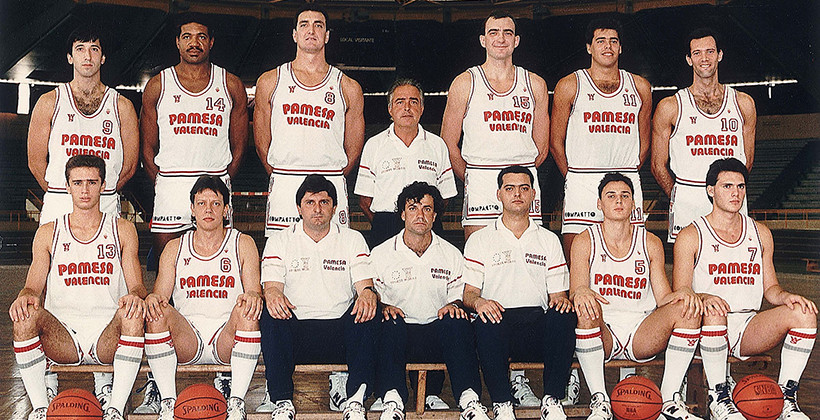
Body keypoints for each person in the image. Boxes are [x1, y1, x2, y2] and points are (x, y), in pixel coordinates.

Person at [674, 158, 816, 420]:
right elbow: (681, 291)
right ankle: (718, 397)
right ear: (711, 190)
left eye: (740, 186)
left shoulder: (760, 233)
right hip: (705, 327)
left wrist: (787, 297)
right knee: (715, 312)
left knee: (804, 313)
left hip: (748, 326)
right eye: (727, 186)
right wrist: (704, 297)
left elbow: (771, 288)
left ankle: (786, 400)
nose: (735, 193)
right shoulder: (691, 235)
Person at [9, 155, 147, 420]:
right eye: (78, 183)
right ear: (67, 186)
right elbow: (32, 287)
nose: (85, 190)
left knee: (132, 315)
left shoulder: (122, 229)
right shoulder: (49, 232)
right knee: (24, 316)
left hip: (108, 334)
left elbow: (138, 287)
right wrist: (23, 297)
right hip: (64, 336)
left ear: (103, 185)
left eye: (92, 182)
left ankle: (115, 410)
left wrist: (136, 297)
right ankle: (40, 408)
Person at [570, 173, 703, 420]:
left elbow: (663, 297)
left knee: (688, 309)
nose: (618, 200)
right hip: (603, 329)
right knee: (584, 307)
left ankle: (669, 399)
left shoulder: (650, 242)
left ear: (633, 203)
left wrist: (687, 295)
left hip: (642, 331)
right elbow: (577, 290)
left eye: (625, 196)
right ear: (599, 203)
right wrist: (582, 292)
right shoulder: (585, 240)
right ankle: (600, 401)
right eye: (611, 196)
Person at [142, 176, 262, 420]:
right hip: (189, 337)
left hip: (227, 335)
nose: (208, 210)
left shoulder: (242, 243)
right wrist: (153, 299)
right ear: (192, 209)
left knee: (248, 308)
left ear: (226, 209)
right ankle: (168, 403)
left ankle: (236, 404)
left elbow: (254, 292)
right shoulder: (175, 247)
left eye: (216, 204)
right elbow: (160, 296)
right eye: (201, 203)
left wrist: (252, 296)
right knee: (157, 312)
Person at [260, 175, 379, 420]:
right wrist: (271, 294)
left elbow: (365, 286)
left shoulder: (352, 239)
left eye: (324, 202)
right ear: (298, 208)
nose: (317, 209)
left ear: (334, 208)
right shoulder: (279, 240)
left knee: (370, 309)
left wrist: (368, 294)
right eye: (310, 202)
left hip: (341, 334)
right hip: (296, 334)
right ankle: (281, 400)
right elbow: (271, 287)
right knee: (269, 312)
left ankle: (355, 400)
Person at [463, 165, 576, 420]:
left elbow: (558, 297)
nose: (517, 194)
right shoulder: (480, 239)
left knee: (564, 315)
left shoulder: (548, 240)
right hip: (497, 325)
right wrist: (479, 302)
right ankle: (502, 404)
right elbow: (469, 294)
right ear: (499, 194)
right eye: (510, 188)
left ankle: (552, 400)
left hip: (536, 325)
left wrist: (562, 303)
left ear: (533, 194)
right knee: (486, 320)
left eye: (524, 188)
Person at [371, 182, 489, 420]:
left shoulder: (451, 254)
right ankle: (391, 398)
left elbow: (459, 296)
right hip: (398, 333)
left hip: (436, 334)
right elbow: (370, 294)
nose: (420, 215)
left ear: (434, 216)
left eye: (427, 209)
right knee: (388, 322)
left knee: (457, 321)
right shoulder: (381, 254)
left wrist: (454, 306)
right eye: (413, 208)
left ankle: (468, 399)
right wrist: (383, 307)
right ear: (402, 214)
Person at [140, 12, 248, 259]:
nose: (194, 43)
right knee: (168, 263)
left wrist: (221, 181)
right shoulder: (158, 85)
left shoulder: (230, 84)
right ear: (177, 42)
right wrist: (163, 183)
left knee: (217, 261)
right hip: (171, 186)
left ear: (211, 42)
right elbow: (147, 148)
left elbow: (240, 146)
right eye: (187, 37)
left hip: (214, 184)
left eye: (201, 37)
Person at [254, 5, 365, 235]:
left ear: (327, 35)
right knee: (282, 254)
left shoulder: (348, 86)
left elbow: (354, 148)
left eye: (318, 25)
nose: (311, 30)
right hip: (285, 180)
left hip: (330, 181)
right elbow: (261, 142)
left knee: (333, 252)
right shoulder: (270, 81)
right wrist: (280, 173)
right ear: (295, 34)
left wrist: (332, 177)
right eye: (304, 25)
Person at [440, 11, 549, 241]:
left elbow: (542, 148)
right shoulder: (465, 82)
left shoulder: (535, 84)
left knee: (527, 253)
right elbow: (448, 143)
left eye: (507, 33)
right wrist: (472, 177)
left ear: (516, 41)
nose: (501, 38)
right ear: (483, 40)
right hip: (481, 180)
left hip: (522, 182)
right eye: (493, 33)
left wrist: (518, 178)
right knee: (480, 255)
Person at [549, 17, 652, 260]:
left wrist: (626, 172)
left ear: (621, 47)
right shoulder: (570, 85)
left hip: (625, 179)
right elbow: (555, 142)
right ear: (589, 47)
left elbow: (644, 143)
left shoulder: (639, 87)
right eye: (601, 41)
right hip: (582, 181)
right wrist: (574, 176)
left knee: (629, 257)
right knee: (578, 261)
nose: (608, 46)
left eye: (613, 41)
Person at [652, 28, 756, 243]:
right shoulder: (671, 106)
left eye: (710, 51)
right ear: (689, 59)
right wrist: (679, 196)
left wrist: (728, 191)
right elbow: (657, 165)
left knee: (731, 261)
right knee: (687, 263)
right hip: (688, 202)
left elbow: (747, 160)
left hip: (730, 202)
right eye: (697, 53)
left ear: (720, 55)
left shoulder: (743, 103)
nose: (704, 58)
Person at [27, 27, 139, 225]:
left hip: (105, 203)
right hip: (60, 202)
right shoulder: (49, 102)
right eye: (80, 49)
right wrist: (65, 191)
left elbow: (129, 167)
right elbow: (35, 162)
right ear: (70, 57)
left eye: (94, 49)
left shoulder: (122, 106)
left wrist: (101, 192)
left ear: (103, 58)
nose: (87, 56)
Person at [355, 79, 457, 247]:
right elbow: (364, 200)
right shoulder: (374, 145)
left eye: (413, 101)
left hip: (426, 226)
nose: (407, 108)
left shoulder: (437, 145)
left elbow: (444, 198)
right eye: (400, 102)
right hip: (386, 226)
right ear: (390, 109)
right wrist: (387, 225)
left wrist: (423, 220)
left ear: (422, 108)